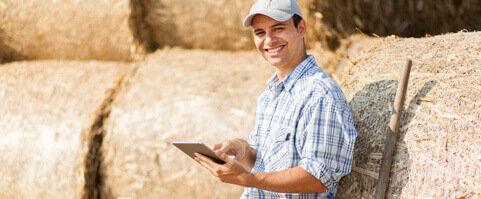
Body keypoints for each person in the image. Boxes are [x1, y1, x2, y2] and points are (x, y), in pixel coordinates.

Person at [194, 0, 357, 198]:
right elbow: (264, 164)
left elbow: (318, 178)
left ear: (301, 28)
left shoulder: (320, 94)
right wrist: (243, 150)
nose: (269, 40)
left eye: (278, 29)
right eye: (260, 33)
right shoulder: (268, 96)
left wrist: (246, 179)